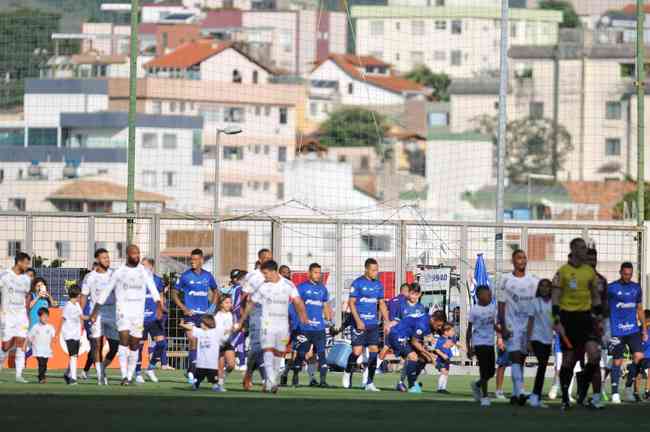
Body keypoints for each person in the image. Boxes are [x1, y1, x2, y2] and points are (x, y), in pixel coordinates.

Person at [90, 244, 162, 386]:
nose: (137, 256)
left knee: (135, 345)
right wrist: (95, 310)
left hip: (138, 313)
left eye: (138, 253)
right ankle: (124, 375)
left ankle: (130, 376)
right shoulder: (119, 272)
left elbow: (153, 288)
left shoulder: (144, 271)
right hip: (122, 312)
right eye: (134, 254)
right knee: (123, 341)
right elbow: (106, 291)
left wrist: (159, 304)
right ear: (128, 255)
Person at [235, 260, 308, 393]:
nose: (264, 276)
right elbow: (251, 303)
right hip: (267, 323)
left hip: (283, 325)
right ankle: (272, 382)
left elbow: (298, 301)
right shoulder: (263, 286)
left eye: (265, 273)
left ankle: (270, 381)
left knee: (278, 355)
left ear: (274, 272)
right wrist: (241, 320)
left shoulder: (288, 284)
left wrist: (303, 316)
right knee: (267, 351)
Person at [552, 237, 604, 410]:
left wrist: (598, 317)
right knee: (568, 360)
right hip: (567, 319)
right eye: (581, 248)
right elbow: (555, 298)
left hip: (585, 318)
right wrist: (556, 321)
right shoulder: (562, 272)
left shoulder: (589, 272)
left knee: (595, 355)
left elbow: (596, 296)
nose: (584, 251)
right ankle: (565, 398)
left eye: (585, 248)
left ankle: (583, 378)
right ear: (573, 249)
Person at [172, 249, 219, 384]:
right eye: (191, 259)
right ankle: (192, 372)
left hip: (204, 316)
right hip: (190, 315)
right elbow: (174, 293)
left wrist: (212, 307)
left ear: (201, 261)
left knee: (203, 343)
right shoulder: (185, 276)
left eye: (195, 259)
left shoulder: (208, 276)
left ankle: (192, 370)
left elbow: (216, 291)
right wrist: (184, 308)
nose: (192, 261)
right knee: (192, 339)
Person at [498, 249, 538, 406]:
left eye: (524, 258)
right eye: (518, 258)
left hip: (526, 326)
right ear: (513, 261)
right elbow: (501, 305)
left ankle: (515, 394)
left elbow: (535, 308)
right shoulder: (505, 279)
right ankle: (520, 391)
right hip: (511, 325)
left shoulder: (533, 281)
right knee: (514, 357)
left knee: (520, 359)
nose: (522, 261)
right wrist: (503, 327)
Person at [342, 258, 389, 392]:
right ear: (366, 269)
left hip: (373, 324)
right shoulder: (358, 283)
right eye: (373, 270)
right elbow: (351, 303)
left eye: (377, 270)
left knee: (374, 351)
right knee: (356, 352)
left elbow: (381, 304)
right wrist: (358, 321)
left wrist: (387, 322)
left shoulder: (379, 285)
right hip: (359, 323)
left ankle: (369, 382)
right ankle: (347, 372)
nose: (376, 272)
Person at [607, 261, 647, 404]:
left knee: (639, 357)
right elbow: (604, 309)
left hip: (633, 329)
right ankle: (615, 392)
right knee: (617, 361)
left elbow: (640, 309)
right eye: (625, 274)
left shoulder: (636, 288)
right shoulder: (611, 288)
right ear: (620, 272)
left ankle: (628, 388)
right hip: (617, 331)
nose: (627, 277)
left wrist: (644, 329)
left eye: (630, 274)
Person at [291, 263, 332, 388]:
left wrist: (329, 320)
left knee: (321, 353)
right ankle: (295, 377)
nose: (318, 275)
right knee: (302, 353)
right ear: (309, 273)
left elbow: (325, 305)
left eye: (319, 273)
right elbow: (295, 305)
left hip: (319, 328)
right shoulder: (302, 288)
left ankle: (322, 381)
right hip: (305, 328)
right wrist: (298, 321)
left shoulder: (323, 289)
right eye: (315, 272)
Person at [81, 249, 115, 385]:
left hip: (113, 313)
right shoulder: (90, 277)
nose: (107, 260)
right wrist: (81, 313)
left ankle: (102, 368)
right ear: (98, 260)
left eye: (108, 257)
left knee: (115, 346)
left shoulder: (114, 274)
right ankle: (100, 375)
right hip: (97, 313)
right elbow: (84, 295)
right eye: (104, 258)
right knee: (97, 344)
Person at [241, 248, 273, 390]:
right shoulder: (253, 276)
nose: (268, 260)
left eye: (270, 257)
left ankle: (250, 374)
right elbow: (243, 297)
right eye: (265, 258)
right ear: (260, 260)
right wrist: (243, 318)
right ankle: (265, 378)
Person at [0, 252, 32, 382]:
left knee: (20, 344)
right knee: (6, 346)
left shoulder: (26, 279)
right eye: (26, 263)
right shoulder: (5, 275)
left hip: (21, 315)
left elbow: (28, 295)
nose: (27, 266)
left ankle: (19, 375)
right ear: (19, 262)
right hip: (8, 315)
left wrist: (27, 312)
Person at [136, 257, 168, 384]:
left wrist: (162, 309)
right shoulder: (137, 281)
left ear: (151, 267)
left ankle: (151, 368)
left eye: (144, 265)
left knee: (161, 344)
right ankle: (137, 372)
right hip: (140, 319)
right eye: (141, 265)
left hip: (154, 319)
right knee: (139, 346)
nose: (142, 268)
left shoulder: (158, 281)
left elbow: (161, 297)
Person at [386, 314, 435, 394]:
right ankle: (411, 385)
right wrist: (429, 354)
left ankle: (409, 381)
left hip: (408, 337)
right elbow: (415, 341)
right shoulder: (423, 322)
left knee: (424, 358)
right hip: (399, 335)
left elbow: (419, 335)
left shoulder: (423, 312)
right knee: (413, 357)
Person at [467, 285, 498, 407]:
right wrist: (469, 347)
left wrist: (502, 333)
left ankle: (477, 385)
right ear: (479, 296)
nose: (490, 297)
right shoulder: (474, 310)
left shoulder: (493, 309)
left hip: (490, 343)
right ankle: (485, 397)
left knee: (491, 372)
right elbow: (469, 330)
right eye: (487, 295)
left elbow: (494, 325)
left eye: (490, 295)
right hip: (479, 343)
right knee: (484, 370)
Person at [526, 279, 554, 408]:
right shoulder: (534, 302)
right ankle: (535, 396)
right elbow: (530, 322)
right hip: (536, 338)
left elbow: (555, 322)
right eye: (542, 286)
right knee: (542, 364)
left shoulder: (553, 304)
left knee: (542, 368)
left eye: (547, 286)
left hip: (548, 339)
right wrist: (528, 340)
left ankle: (534, 396)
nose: (544, 289)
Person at [181, 314, 222, 391]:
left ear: (207, 323)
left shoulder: (215, 332)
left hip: (212, 363)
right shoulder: (199, 331)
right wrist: (182, 324)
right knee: (198, 377)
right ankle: (195, 385)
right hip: (201, 363)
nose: (200, 324)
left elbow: (224, 330)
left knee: (213, 378)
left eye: (202, 323)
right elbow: (191, 327)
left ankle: (215, 386)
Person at [62, 284, 88, 385]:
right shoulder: (67, 306)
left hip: (76, 334)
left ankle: (67, 374)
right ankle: (73, 378)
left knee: (74, 356)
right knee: (73, 356)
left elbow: (81, 316)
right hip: (69, 334)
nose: (80, 296)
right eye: (79, 294)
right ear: (77, 295)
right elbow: (63, 319)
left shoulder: (77, 305)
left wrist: (87, 320)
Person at [225, 269, 246, 368]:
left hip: (234, 316)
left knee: (241, 339)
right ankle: (226, 360)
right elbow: (237, 306)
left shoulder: (232, 288)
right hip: (237, 317)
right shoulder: (239, 289)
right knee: (236, 339)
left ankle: (241, 362)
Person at [29, 307, 55, 384]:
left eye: (47, 317)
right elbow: (29, 336)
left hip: (46, 349)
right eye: (44, 317)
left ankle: (42, 376)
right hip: (37, 348)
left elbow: (54, 336)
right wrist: (25, 345)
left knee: (45, 364)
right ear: (39, 317)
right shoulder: (35, 327)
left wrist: (54, 340)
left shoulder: (50, 327)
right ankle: (41, 378)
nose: (45, 318)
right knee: (41, 363)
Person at [215, 295, 235, 392]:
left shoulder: (230, 314)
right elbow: (220, 332)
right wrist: (231, 329)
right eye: (227, 302)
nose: (229, 304)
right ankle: (219, 384)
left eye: (230, 302)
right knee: (220, 366)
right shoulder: (218, 316)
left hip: (227, 343)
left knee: (231, 365)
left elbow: (230, 330)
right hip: (219, 343)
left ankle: (222, 378)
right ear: (221, 304)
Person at [434, 323, 458, 393]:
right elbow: (437, 349)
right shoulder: (441, 339)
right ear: (446, 332)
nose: (453, 332)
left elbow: (455, 342)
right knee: (443, 372)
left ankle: (443, 388)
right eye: (452, 331)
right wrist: (443, 355)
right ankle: (440, 388)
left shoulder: (450, 338)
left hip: (447, 360)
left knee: (446, 373)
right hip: (441, 360)